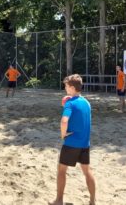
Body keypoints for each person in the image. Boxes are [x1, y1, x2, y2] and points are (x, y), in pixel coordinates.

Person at [49, 74, 96, 205]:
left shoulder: (70, 103)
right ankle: (92, 201)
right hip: (85, 143)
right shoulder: (87, 102)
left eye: (66, 85)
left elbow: (64, 121)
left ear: (72, 87)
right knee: (87, 172)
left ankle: (59, 200)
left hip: (71, 143)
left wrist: (63, 134)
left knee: (61, 170)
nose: (64, 88)